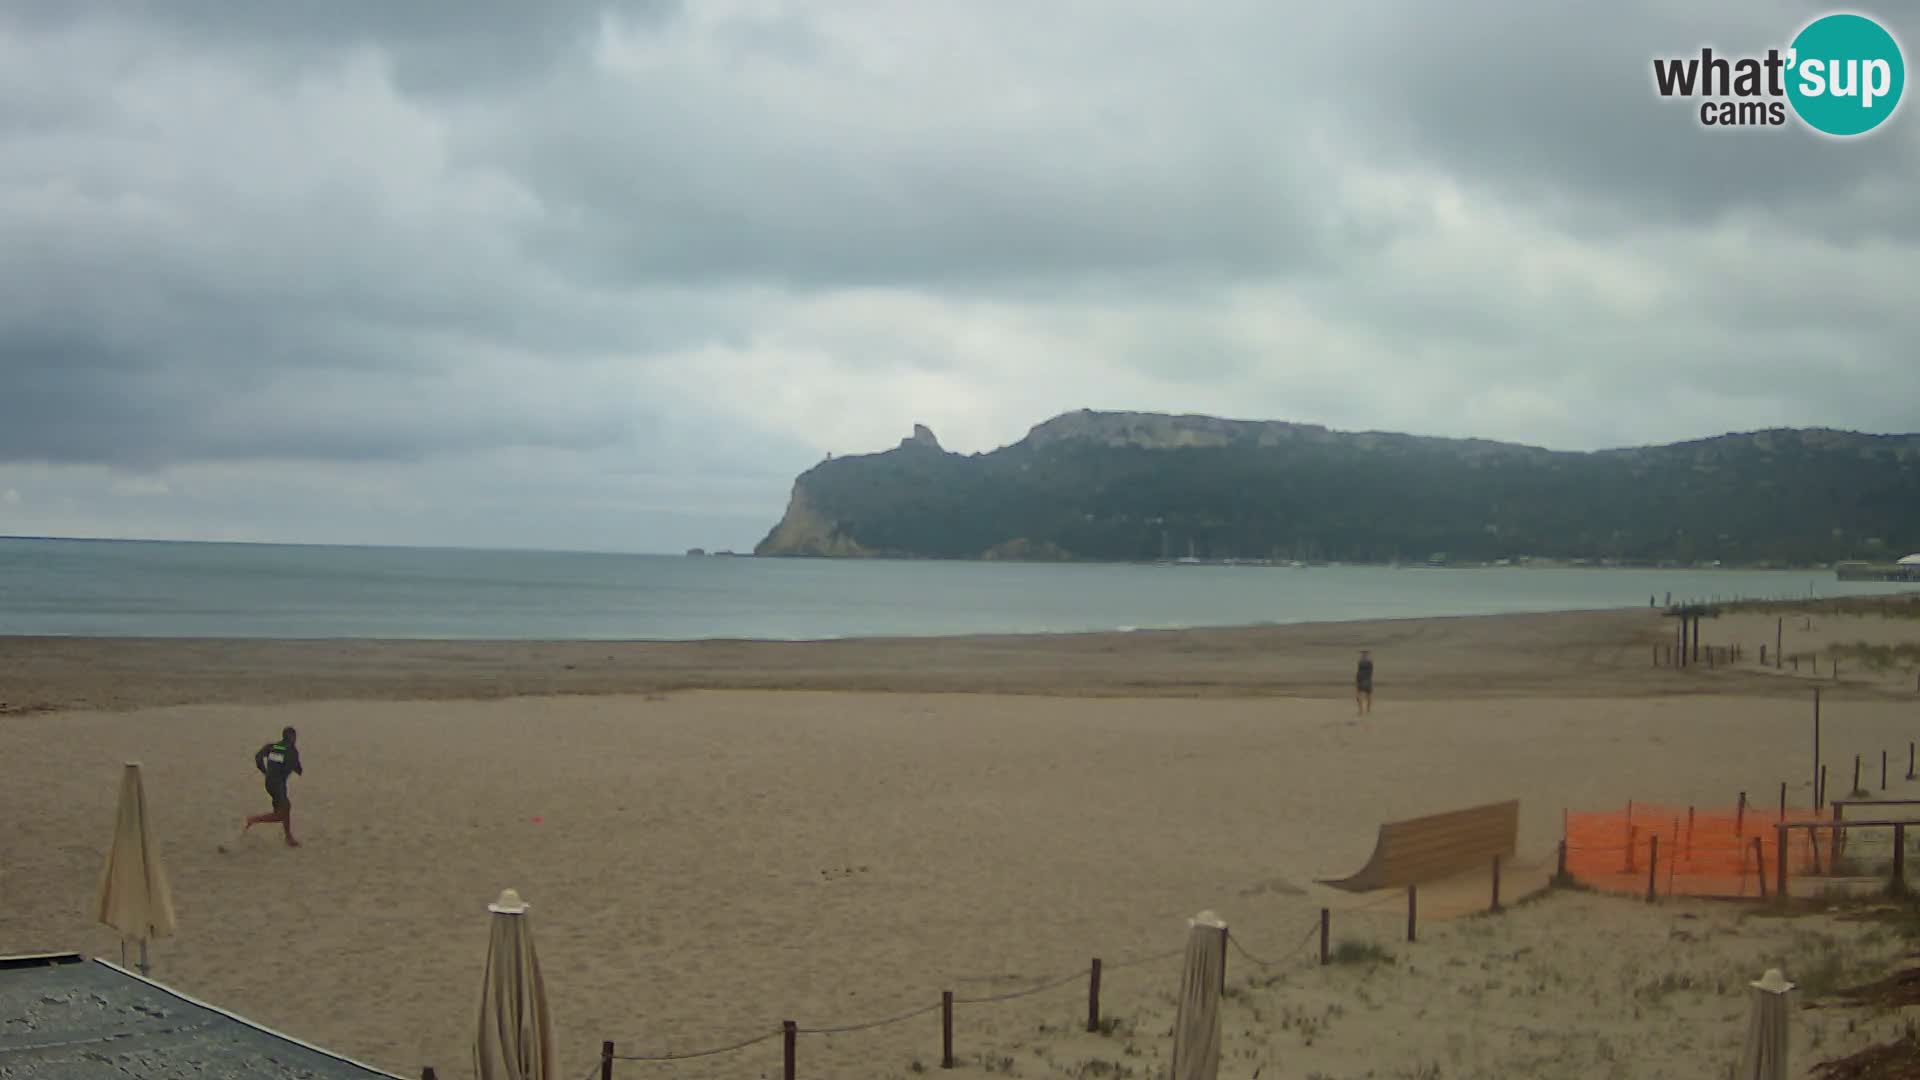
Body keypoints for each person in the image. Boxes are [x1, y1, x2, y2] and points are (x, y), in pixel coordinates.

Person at [244, 726, 303, 847]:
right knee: (280, 814)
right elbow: (297, 768)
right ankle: (253, 819)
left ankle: (288, 837)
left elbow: (258, 757)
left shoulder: (275, 746)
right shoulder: (291, 750)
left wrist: (265, 771)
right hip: (278, 785)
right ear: (292, 737)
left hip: (270, 782)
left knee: (286, 808)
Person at [1355, 651, 1374, 716]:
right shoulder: (1364, 662)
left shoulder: (1366, 662)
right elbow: (1369, 672)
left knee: (1365, 696)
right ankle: (1365, 710)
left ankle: (1364, 710)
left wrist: (1358, 681)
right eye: (1363, 654)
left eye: (1364, 655)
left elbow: (1368, 672)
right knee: (1365, 696)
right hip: (1365, 680)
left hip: (1364, 680)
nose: (1363, 656)